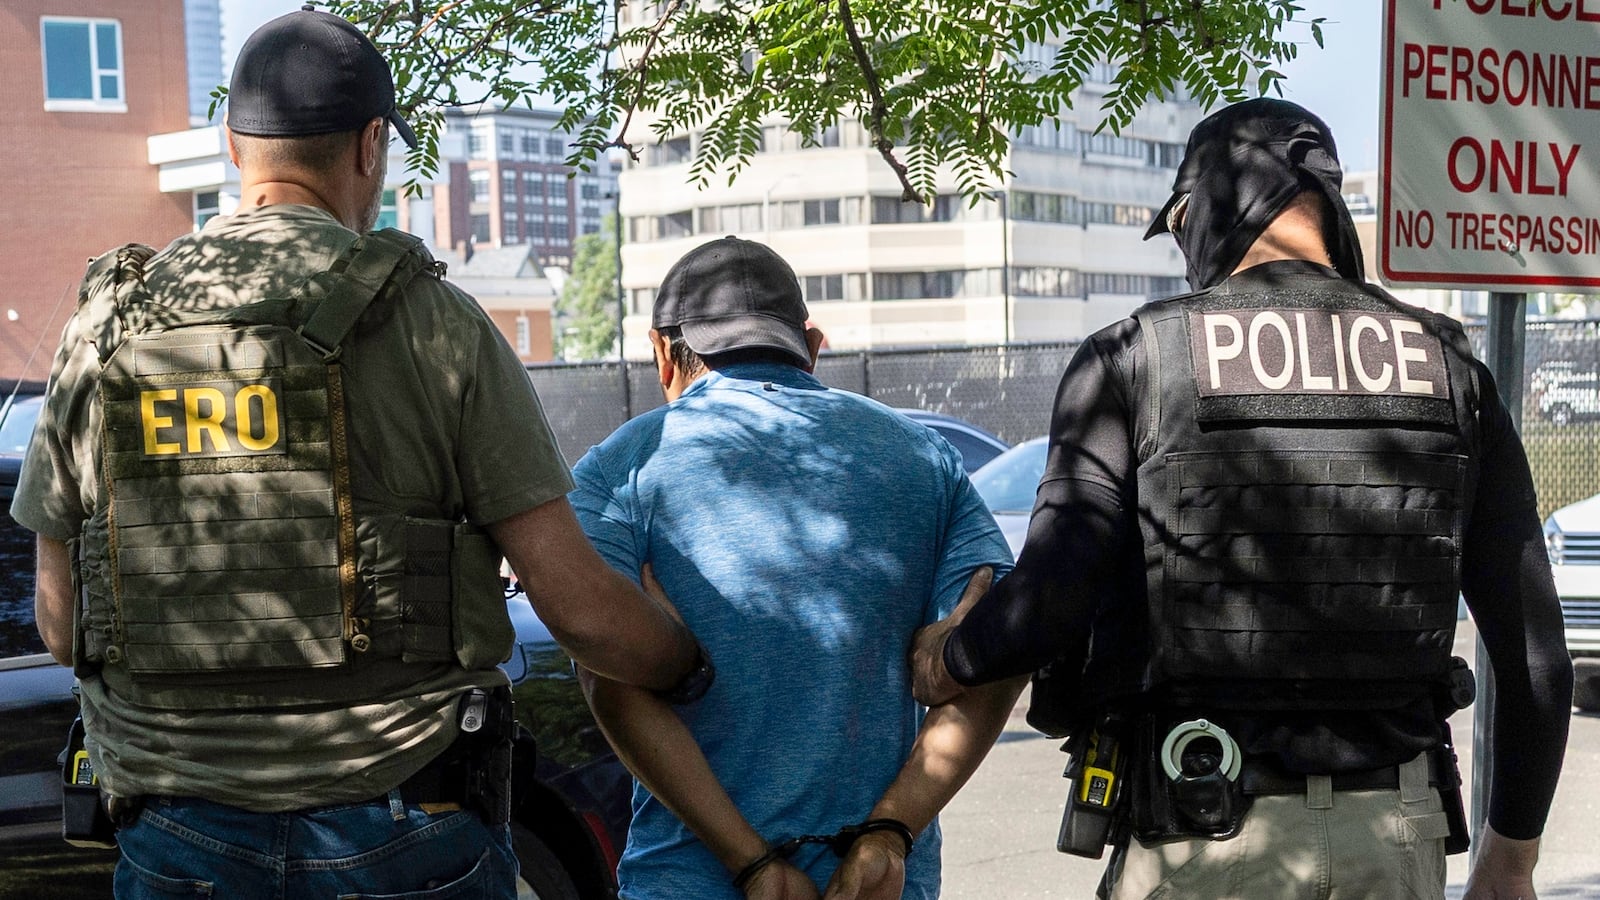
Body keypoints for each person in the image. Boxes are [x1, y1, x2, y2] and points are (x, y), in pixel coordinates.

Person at [17, 7, 703, 898]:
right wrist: (690, 664)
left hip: (177, 836)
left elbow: (62, 622)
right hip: (403, 827)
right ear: (371, 144)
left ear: (233, 145)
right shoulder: (432, 323)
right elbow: (576, 607)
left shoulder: (103, 328)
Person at [911, 98, 1573, 899]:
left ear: (1210, 205)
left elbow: (1050, 599)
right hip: (1397, 841)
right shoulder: (1450, 367)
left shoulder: (1136, 358)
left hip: (1201, 835)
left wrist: (947, 657)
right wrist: (1510, 863)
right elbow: (1537, 655)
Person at [568, 236, 1027, 899]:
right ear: (811, 346)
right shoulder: (925, 459)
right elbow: (1001, 650)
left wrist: (752, 864)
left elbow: (604, 669)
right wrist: (890, 833)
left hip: (689, 882)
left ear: (663, 352)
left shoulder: (624, 466)